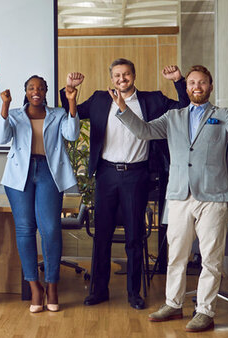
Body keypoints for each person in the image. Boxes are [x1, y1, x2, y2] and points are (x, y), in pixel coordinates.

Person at [112, 65, 228, 332]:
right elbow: (144, 131)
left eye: (202, 82)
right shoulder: (173, 116)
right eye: (192, 82)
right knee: (176, 255)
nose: (196, 87)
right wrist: (124, 110)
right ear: (188, 86)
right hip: (179, 195)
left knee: (210, 258)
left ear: (210, 86)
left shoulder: (222, 115)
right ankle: (173, 304)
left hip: (213, 197)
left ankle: (205, 311)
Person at [60, 60, 190, 310]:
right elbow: (69, 112)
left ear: (134, 75)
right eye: (117, 75)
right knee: (102, 236)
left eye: (126, 74)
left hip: (137, 175)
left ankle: (134, 293)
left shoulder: (152, 100)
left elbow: (184, 108)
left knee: (134, 236)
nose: (122, 79)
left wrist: (178, 81)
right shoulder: (99, 99)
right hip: (106, 174)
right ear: (111, 78)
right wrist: (69, 88)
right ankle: (99, 291)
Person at [0, 76, 79, 313]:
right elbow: (1, 138)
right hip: (19, 175)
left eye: (41, 88)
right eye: (32, 88)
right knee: (24, 230)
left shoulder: (58, 114)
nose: (36, 91)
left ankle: (52, 286)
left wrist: (72, 103)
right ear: (26, 91)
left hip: (49, 172)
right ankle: (35, 287)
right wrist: (4, 106)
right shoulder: (14, 114)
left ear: (46, 92)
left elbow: (72, 135)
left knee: (50, 229)